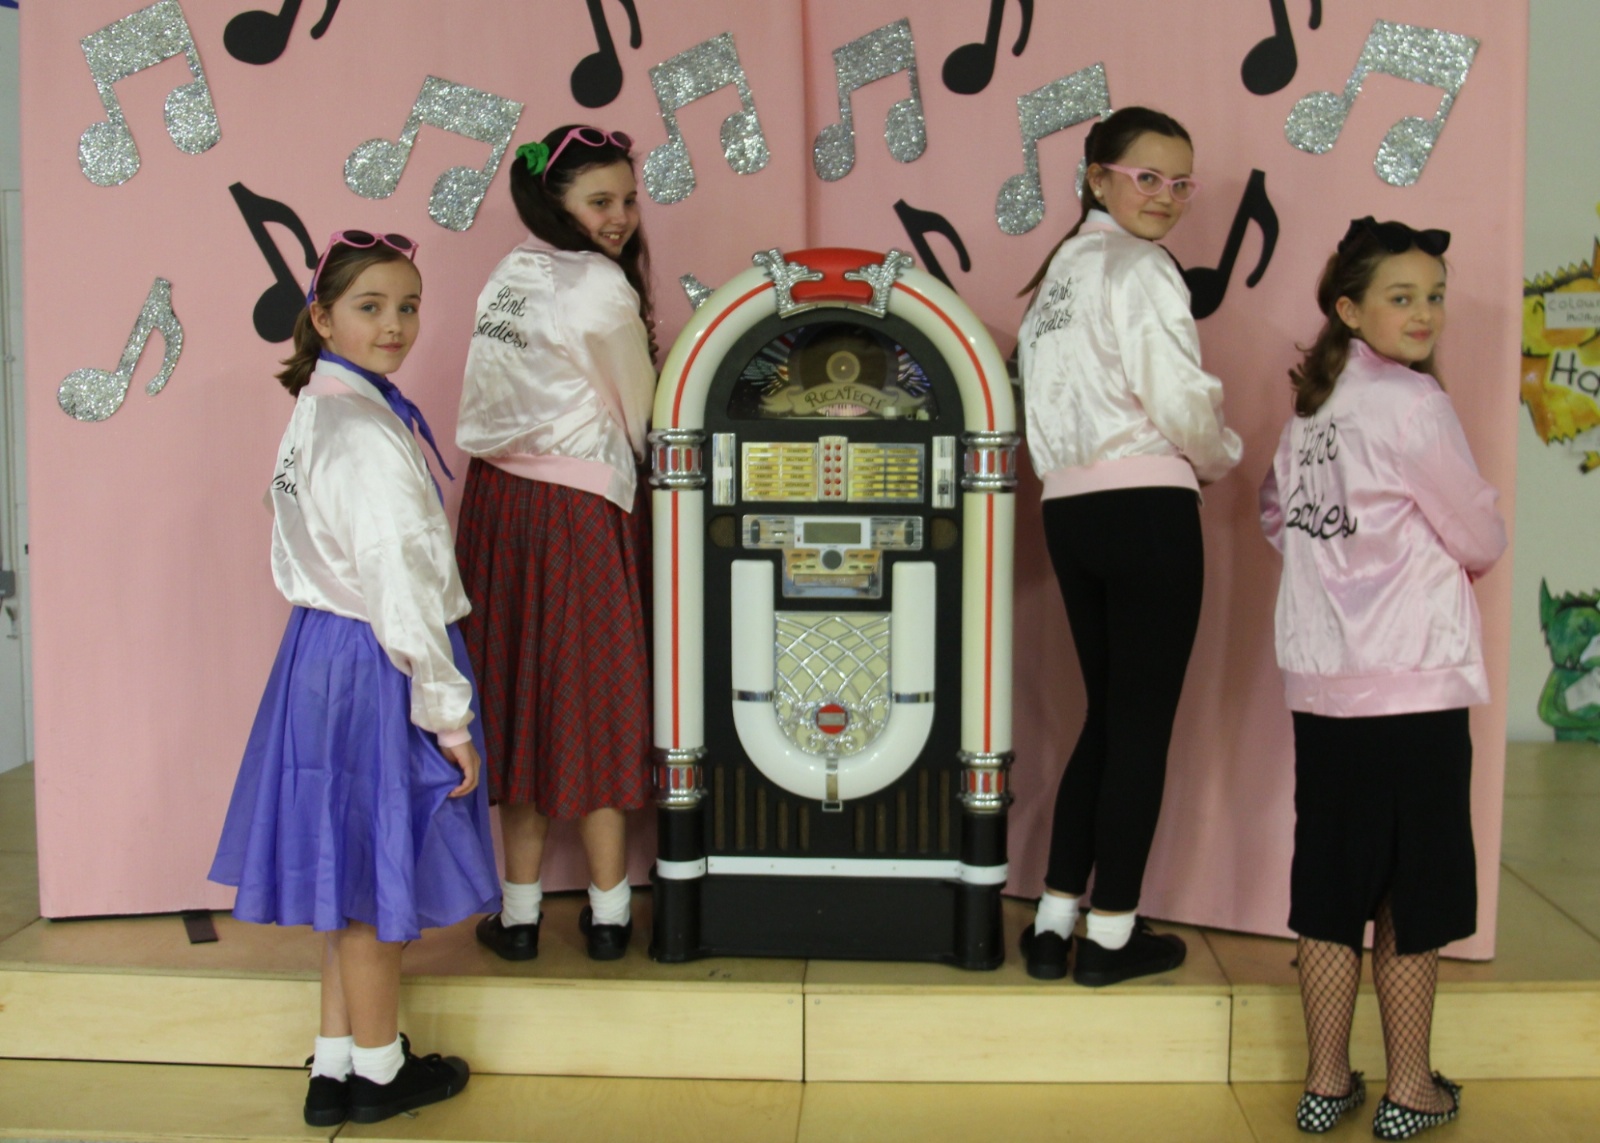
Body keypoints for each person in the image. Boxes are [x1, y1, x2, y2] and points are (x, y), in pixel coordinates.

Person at [210, 231, 497, 1127]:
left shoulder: (319, 407)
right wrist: (449, 716)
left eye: (408, 305)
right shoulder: (364, 429)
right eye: (371, 306)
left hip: (321, 654)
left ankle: (336, 1059)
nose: (396, 324)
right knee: (374, 871)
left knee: (347, 866)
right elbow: (401, 585)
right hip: (376, 656)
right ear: (324, 317)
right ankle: (378, 1070)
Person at [1260, 217, 1507, 1139]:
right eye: (1402, 297)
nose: (1425, 312)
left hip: (1324, 679)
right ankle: (1411, 1088)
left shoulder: (1312, 409)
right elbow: (1477, 531)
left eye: (1434, 294)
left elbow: (1277, 516)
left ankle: (1325, 1083)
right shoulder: (1413, 403)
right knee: (1414, 881)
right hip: (1410, 679)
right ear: (1350, 308)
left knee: (1331, 878)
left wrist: (1336, 571)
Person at [1014, 106, 1242, 986]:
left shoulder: (1055, 280)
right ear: (1097, 175)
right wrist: (1218, 458)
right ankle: (1111, 935)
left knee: (1108, 718)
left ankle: (1052, 921)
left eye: (1182, 183)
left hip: (1069, 513)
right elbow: (1180, 399)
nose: (1167, 197)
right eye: (1148, 177)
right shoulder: (1141, 268)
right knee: (1140, 726)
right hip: (1146, 507)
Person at [455, 125, 656, 963]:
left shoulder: (509, 271)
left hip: (496, 507)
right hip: (577, 512)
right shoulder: (603, 288)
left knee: (514, 703)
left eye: (627, 200)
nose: (619, 217)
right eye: (600, 200)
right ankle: (610, 915)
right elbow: (645, 418)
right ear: (556, 201)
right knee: (593, 699)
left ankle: (521, 914)